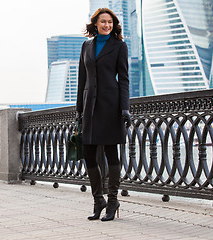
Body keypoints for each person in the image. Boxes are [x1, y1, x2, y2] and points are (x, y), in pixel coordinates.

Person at [76, 8, 131, 221]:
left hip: (111, 105)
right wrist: (79, 110)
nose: (106, 25)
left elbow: (124, 79)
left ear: (113, 24)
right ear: (96, 24)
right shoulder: (86, 46)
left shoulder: (119, 46)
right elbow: (82, 81)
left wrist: (124, 108)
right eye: (103, 22)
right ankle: (99, 200)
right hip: (90, 106)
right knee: (89, 154)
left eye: (110, 22)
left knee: (110, 153)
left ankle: (113, 199)